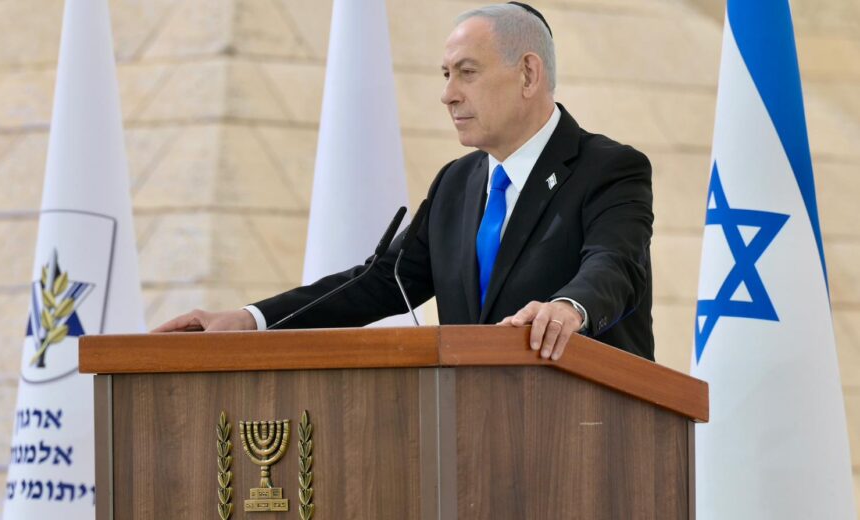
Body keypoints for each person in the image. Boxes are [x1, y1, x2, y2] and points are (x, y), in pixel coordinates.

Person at [154, 3, 655, 361]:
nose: (448, 95)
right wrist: (251, 320)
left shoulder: (608, 169)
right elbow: (378, 284)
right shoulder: (456, 185)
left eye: (466, 72)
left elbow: (614, 267)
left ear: (528, 74)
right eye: (444, 74)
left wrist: (569, 308)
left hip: (590, 445)